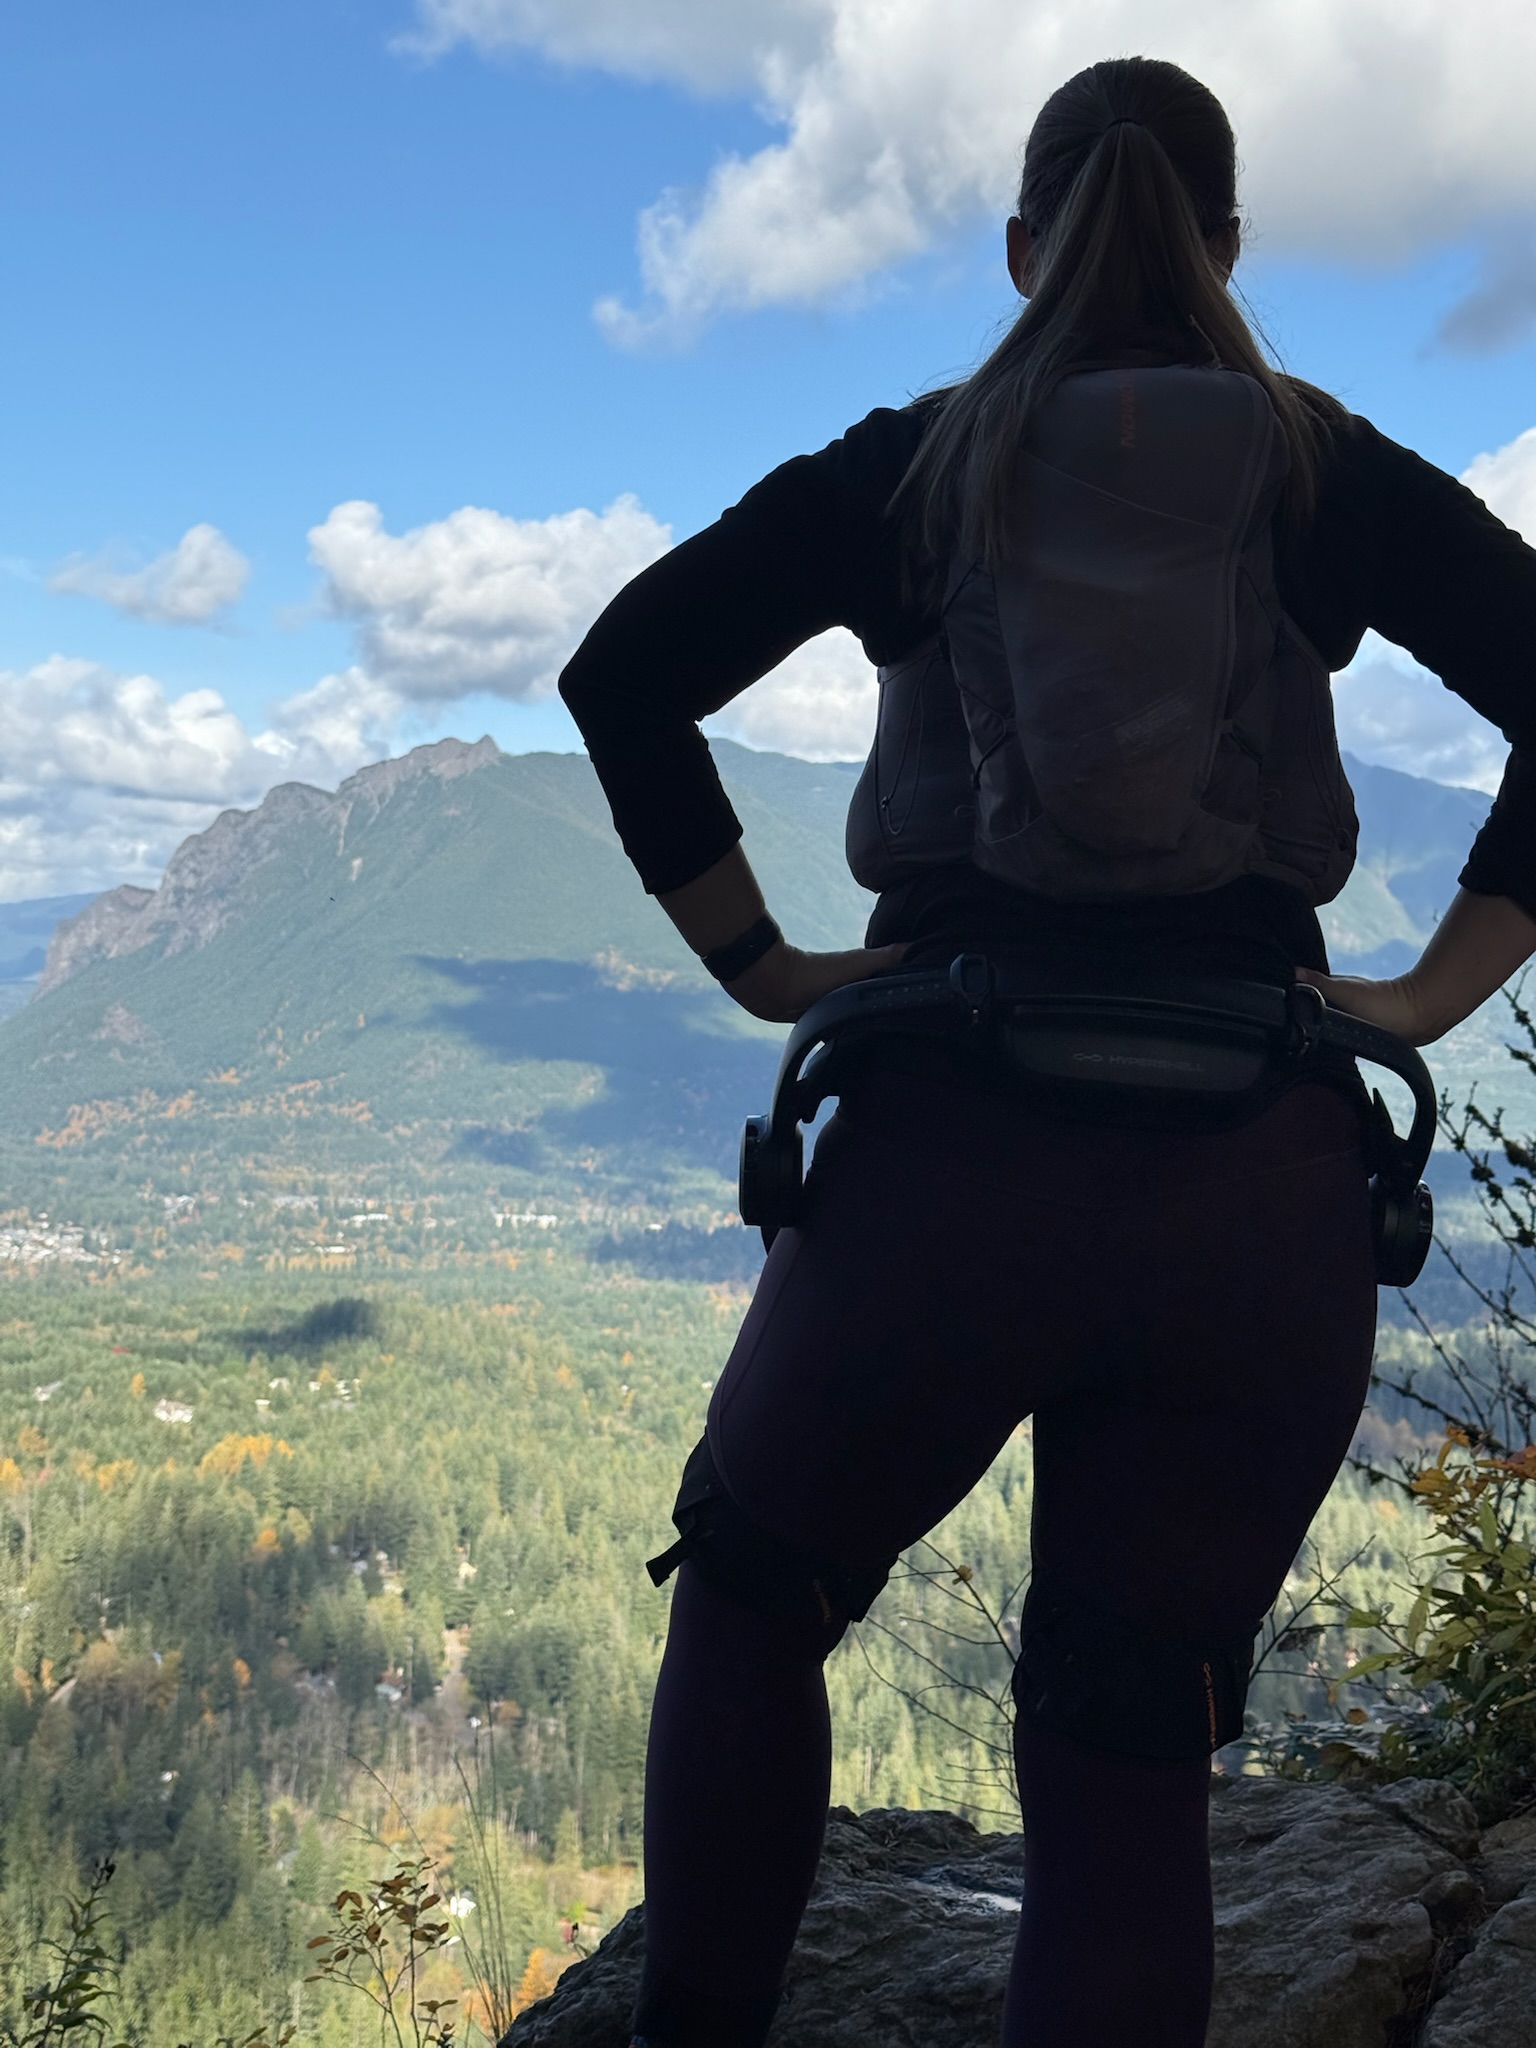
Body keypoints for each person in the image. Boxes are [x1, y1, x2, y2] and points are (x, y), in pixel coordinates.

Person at [558, 54, 1536, 2048]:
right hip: (1258, 1185)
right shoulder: (1318, 467)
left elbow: (625, 668)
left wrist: (766, 966)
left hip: (944, 1167)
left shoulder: (925, 467)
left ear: (1022, 248)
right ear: (1233, 243)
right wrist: (1435, 992)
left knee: (752, 1597)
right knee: (1123, 1755)